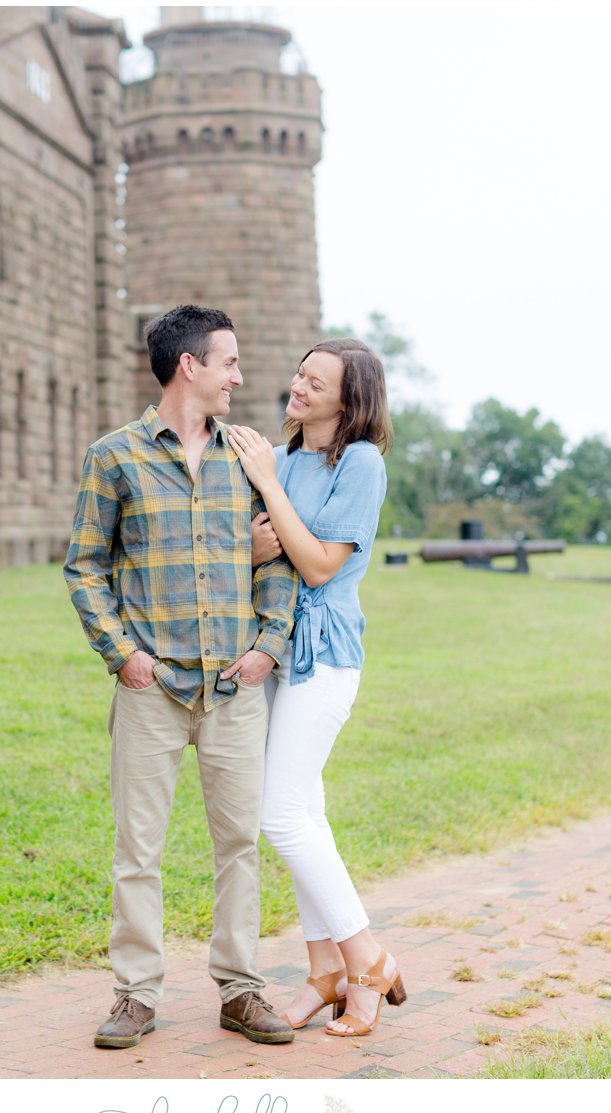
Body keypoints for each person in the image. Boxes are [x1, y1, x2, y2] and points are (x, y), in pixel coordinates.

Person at [64, 305, 299, 1050]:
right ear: (188, 366)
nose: (238, 376)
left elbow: (281, 555)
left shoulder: (252, 457)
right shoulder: (115, 458)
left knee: (238, 845)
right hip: (150, 690)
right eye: (228, 361)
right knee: (138, 851)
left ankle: (240, 988)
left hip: (235, 690)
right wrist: (120, 652)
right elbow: (84, 566)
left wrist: (267, 643)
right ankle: (135, 995)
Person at [224, 337, 402, 1038]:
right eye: (299, 374)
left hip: (325, 656)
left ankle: (366, 957)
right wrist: (254, 540)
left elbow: (322, 564)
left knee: (281, 816)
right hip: (273, 649)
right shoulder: (284, 457)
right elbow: (258, 548)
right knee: (306, 816)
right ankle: (324, 974)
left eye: (316, 382)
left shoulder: (358, 463)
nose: (298, 388)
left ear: (348, 399)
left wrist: (268, 490)